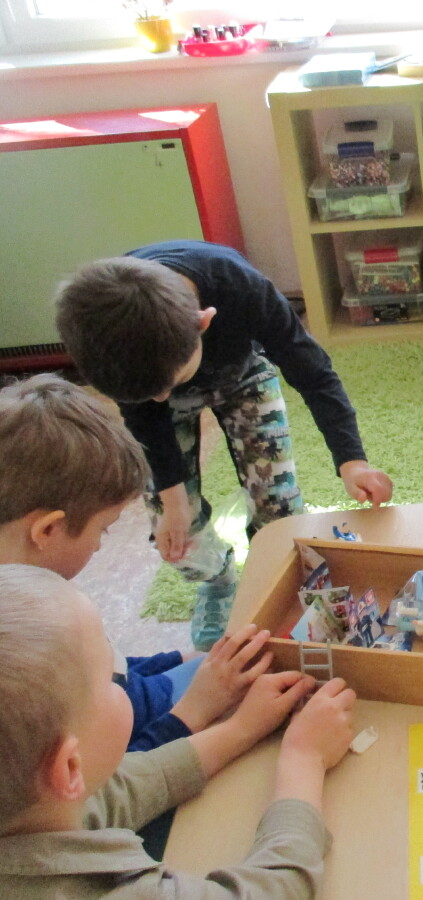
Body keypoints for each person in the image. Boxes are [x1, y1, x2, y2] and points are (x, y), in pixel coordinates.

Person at [54, 240, 394, 650]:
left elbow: (314, 375)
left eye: (168, 385)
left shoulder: (243, 289)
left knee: (279, 508)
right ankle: (218, 580)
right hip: (157, 382)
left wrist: (352, 461)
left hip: (242, 376)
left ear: (204, 322)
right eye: (152, 393)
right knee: (174, 528)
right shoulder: (108, 334)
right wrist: (173, 498)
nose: (161, 398)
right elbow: (145, 417)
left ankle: (277, 580)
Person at [0, 564, 356, 899]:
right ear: (69, 767)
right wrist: (303, 760)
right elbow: (273, 891)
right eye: (112, 678)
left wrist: (241, 728)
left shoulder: (36, 808)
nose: (125, 677)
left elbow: (127, 787)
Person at [0, 374, 270, 754]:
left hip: (145, 700)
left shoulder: (33, 595)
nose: (100, 545)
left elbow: (112, 672)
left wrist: (172, 660)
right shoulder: (24, 651)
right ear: (48, 530)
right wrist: (194, 714)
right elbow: (108, 777)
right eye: (104, 529)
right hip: (158, 738)